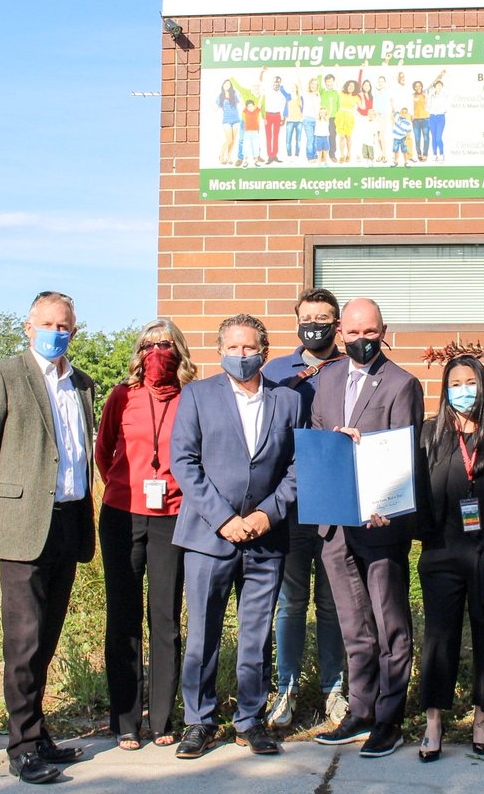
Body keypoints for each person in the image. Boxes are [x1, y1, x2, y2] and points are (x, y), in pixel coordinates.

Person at [0, 291, 95, 785]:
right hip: (22, 524)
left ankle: (39, 734)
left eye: (66, 326)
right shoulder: (4, 374)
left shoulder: (80, 382)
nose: (58, 332)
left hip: (68, 520)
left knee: (47, 637)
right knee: (24, 640)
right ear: (29, 325)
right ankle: (21, 746)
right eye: (49, 323)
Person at [170, 314, 303, 760]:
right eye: (233, 347)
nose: (241, 355)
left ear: (264, 351)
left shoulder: (288, 401)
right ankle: (199, 722)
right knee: (203, 633)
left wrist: (269, 512)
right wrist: (224, 518)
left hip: (266, 538)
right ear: (219, 349)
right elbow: (184, 463)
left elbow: (296, 466)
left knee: (256, 633)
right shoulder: (196, 395)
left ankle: (250, 719)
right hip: (210, 536)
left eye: (249, 348)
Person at [311, 298, 424, 759]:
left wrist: (387, 504)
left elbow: (405, 454)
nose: (362, 339)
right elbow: (317, 435)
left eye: (370, 331)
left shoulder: (402, 384)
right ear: (341, 333)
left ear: (383, 331)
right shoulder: (326, 379)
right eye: (354, 332)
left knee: (390, 624)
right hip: (335, 524)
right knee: (354, 626)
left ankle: (389, 718)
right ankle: (360, 710)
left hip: (381, 524)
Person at [415, 356, 484, 763]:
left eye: (471, 381)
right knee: (439, 639)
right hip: (443, 551)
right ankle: (433, 721)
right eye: (455, 382)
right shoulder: (430, 434)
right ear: (445, 389)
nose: (464, 389)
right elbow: (414, 491)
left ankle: (482, 716)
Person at [94, 319, 197, 750]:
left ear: (180, 351)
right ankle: (126, 720)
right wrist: (124, 487)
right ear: (139, 351)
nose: (158, 352)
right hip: (122, 514)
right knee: (123, 618)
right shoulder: (122, 395)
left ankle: (162, 719)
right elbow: (104, 451)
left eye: (167, 344)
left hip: (172, 515)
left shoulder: (193, 396)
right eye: (150, 344)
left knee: (165, 618)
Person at [261, 288, 349, 730]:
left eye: (324, 317)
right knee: (290, 602)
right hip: (290, 503)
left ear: (337, 323)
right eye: (308, 316)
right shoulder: (275, 371)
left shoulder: (352, 367)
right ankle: (286, 689)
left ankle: (335, 688)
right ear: (297, 320)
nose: (315, 323)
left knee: (333, 604)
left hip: (335, 502)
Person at [215, 79, 241, 165]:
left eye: (229, 84)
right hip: (226, 120)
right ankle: (221, 156)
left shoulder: (234, 94)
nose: (227, 85)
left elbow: (238, 101)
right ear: (223, 85)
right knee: (229, 140)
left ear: (230, 86)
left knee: (233, 140)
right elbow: (217, 106)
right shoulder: (220, 96)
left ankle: (229, 157)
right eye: (225, 83)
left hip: (236, 119)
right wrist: (214, 110)